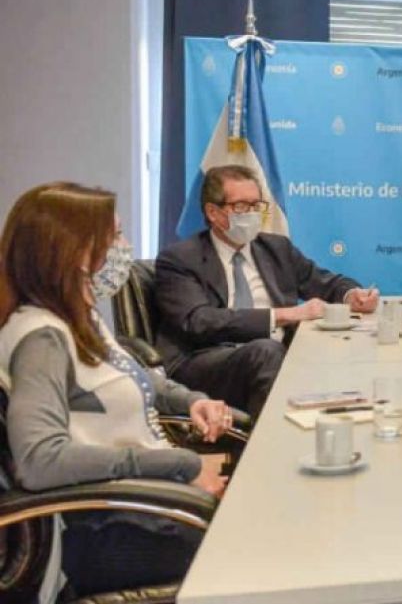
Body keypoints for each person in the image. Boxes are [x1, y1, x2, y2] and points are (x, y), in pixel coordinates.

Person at [0, 182, 232, 599]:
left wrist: (193, 400)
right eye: (115, 237)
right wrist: (180, 466)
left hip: (147, 505)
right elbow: (40, 461)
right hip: (107, 529)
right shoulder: (42, 339)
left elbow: (137, 381)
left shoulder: (77, 316)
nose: (124, 248)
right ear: (71, 251)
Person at [154, 165, 378, 419]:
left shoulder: (275, 249)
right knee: (266, 351)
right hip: (207, 361)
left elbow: (325, 283)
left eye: (256, 206)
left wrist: (353, 296)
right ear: (213, 212)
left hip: (276, 357)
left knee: (336, 348)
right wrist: (282, 315)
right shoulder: (180, 259)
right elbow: (199, 321)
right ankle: (266, 454)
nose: (251, 215)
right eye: (241, 207)